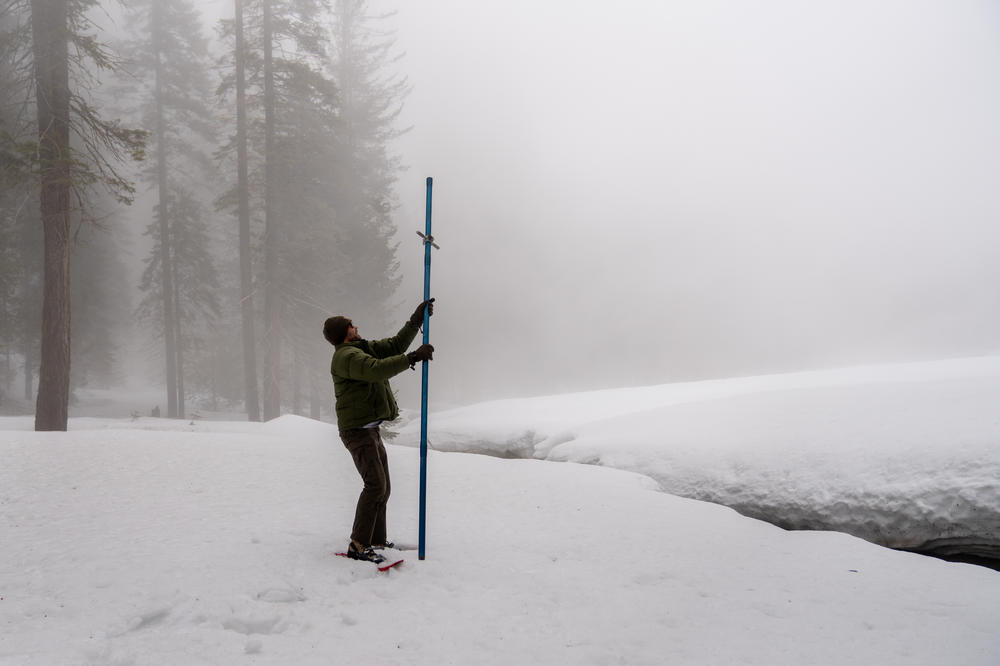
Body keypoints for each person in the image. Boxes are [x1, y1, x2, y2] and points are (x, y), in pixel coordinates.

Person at [323, 299, 435, 564]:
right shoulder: (346, 357)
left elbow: (394, 345)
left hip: (369, 428)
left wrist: (416, 320)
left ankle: (375, 539)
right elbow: (375, 370)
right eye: (351, 326)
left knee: (383, 487)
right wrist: (413, 357)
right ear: (344, 333)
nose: (356, 327)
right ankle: (358, 545)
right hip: (356, 431)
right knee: (375, 485)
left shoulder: (363, 348)